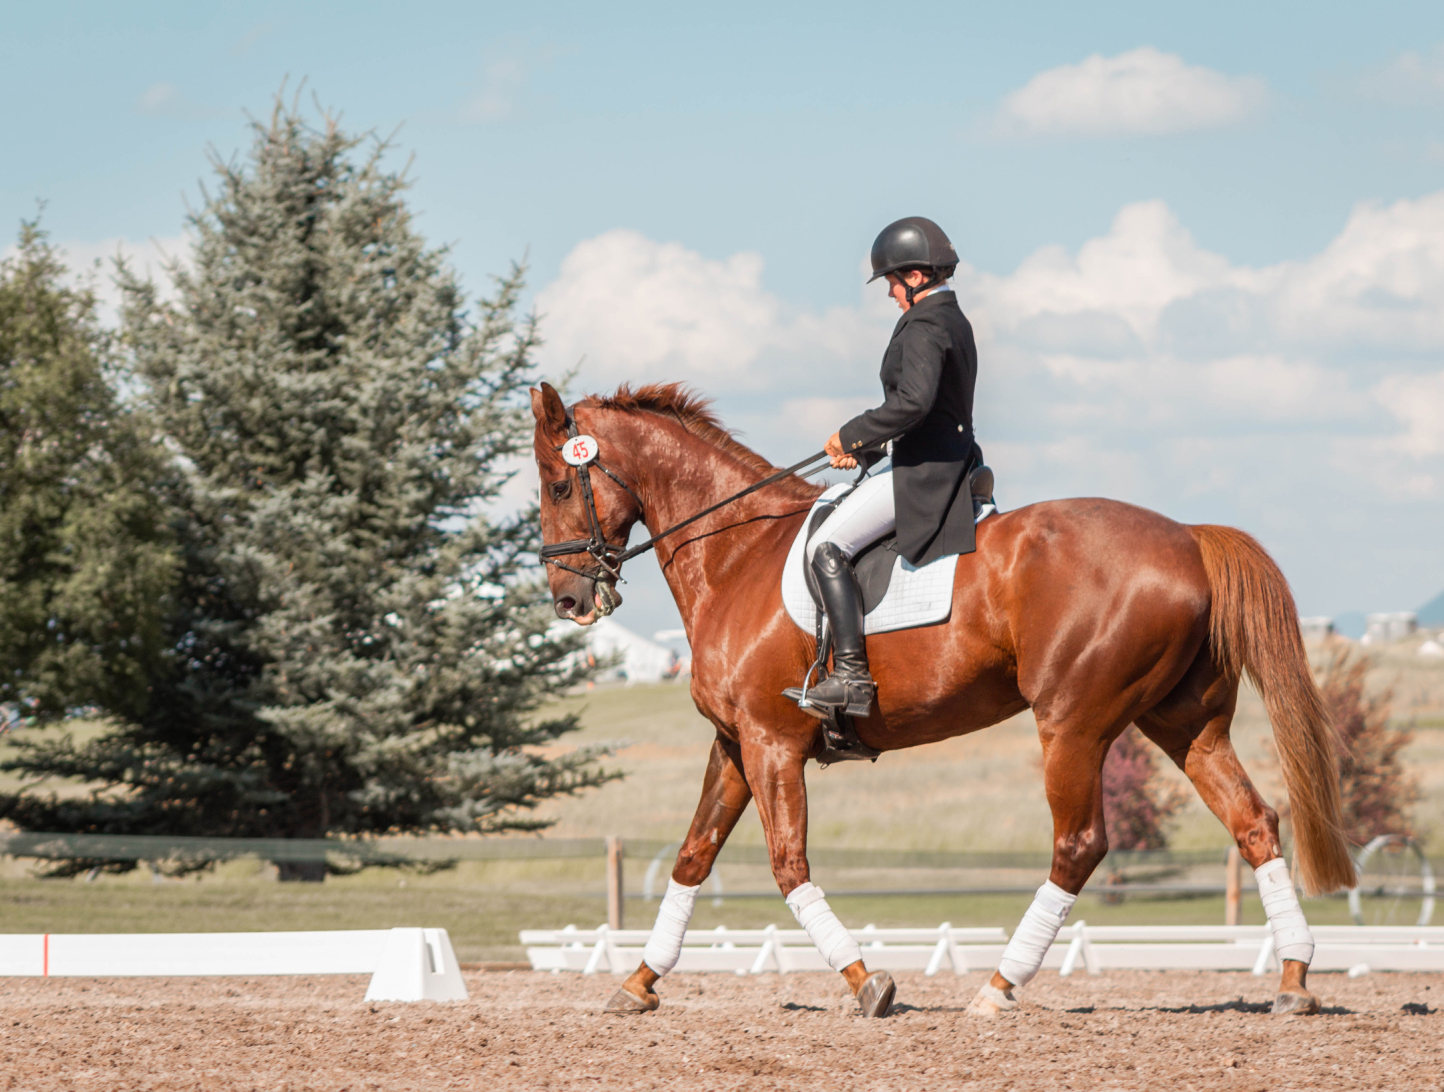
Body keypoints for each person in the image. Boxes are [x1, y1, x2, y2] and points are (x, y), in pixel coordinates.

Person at [796, 216, 981, 718]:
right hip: (942, 456)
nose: (890, 293)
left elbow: (915, 403)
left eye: (893, 282)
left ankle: (851, 675)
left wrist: (851, 432)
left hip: (925, 473)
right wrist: (869, 450)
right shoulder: (951, 318)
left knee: (825, 544)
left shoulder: (924, 324)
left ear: (915, 277)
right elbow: (932, 409)